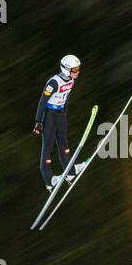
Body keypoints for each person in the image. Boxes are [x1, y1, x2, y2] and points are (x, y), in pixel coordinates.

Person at [33, 55, 86, 192]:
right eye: (75, 70)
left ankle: (70, 171)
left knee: (64, 144)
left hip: (60, 114)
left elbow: (66, 97)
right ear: (66, 69)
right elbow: (42, 101)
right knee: (48, 148)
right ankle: (49, 180)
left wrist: (64, 112)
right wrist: (38, 122)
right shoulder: (53, 83)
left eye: (78, 69)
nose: (77, 72)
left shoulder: (71, 81)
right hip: (49, 116)